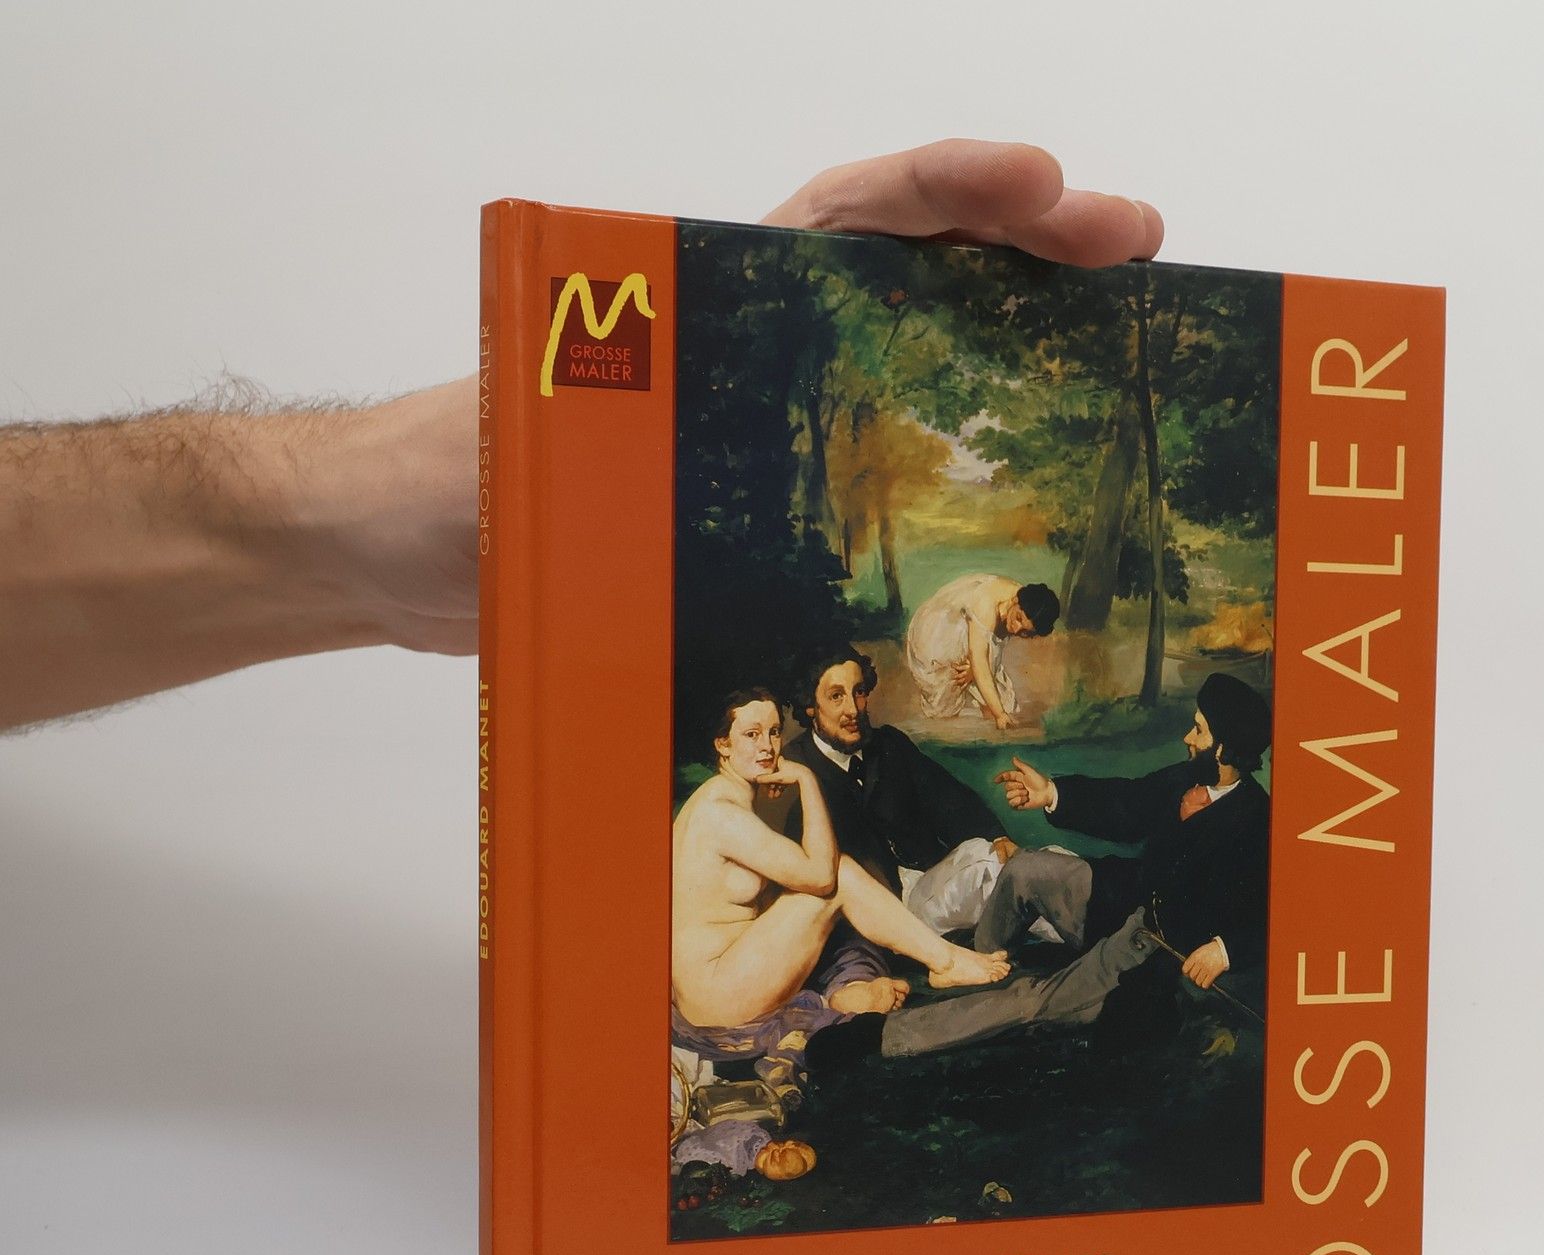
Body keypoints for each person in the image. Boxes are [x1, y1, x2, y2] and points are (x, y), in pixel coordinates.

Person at [0, 142, 1163, 731]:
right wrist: (994, 707)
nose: (1022, 630)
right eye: (1027, 625)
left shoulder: (1002, 604)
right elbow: (971, 657)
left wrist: (337, 523)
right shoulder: (980, 607)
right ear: (1020, 607)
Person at [824, 671, 1272, 1060]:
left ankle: (886, 1035)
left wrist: (1224, 950)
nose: (1188, 738)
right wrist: (1051, 794)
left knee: (1030, 1002)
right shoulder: (1189, 777)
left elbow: (1281, 914)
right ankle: (979, 963)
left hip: (1150, 950)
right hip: (1120, 899)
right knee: (1025, 869)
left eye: (1199, 731)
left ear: (1224, 749)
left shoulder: (1257, 820)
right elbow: (1126, 803)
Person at [671, 690, 1008, 1033]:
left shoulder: (725, 797)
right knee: (840, 874)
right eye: (752, 734)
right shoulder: (721, 814)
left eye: (774, 732)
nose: (767, 747)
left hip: (725, 976)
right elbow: (822, 877)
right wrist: (807, 780)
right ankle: (945, 962)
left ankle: (866, 983)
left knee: (835, 882)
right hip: (716, 993)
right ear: (723, 745)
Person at [785, 642, 1019, 936]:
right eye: (836, 696)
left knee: (1027, 865)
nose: (852, 709)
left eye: (859, 692)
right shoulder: (793, 768)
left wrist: (995, 835)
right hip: (883, 916)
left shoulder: (889, 744)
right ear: (810, 705)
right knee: (999, 869)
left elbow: (947, 797)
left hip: (936, 883)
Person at [902, 573, 1060, 729]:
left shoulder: (1030, 603)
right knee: (948, 707)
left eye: (1025, 632)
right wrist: (999, 714)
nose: (1016, 629)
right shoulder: (987, 603)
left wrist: (976, 670)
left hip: (971, 639)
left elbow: (984, 655)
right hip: (936, 635)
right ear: (1016, 601)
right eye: (1018, 618)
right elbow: (980, 660)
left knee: (1005, 703)